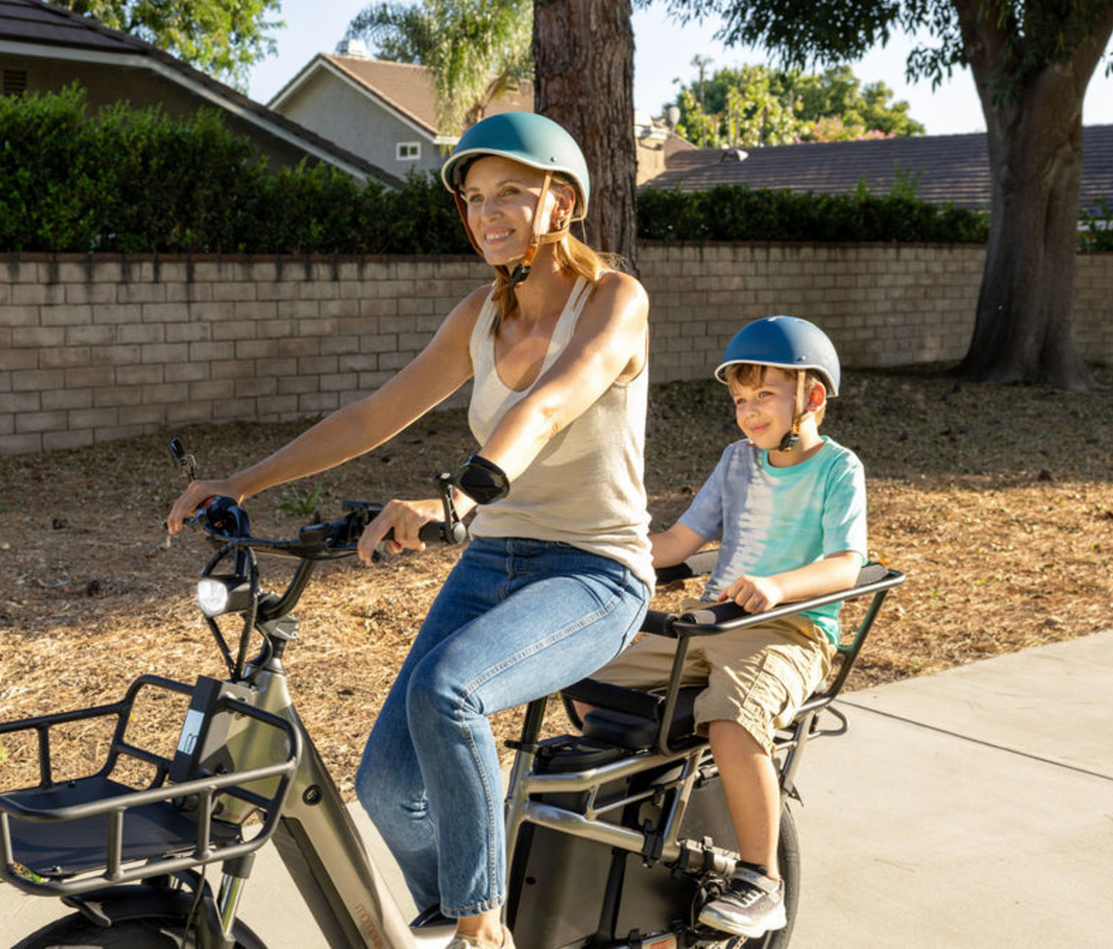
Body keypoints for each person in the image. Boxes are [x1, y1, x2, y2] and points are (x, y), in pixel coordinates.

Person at [166, 112, 653, 949]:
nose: (486, 214)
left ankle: (481, 927)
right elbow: (373, 414)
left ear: (561, 202)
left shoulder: (611, 298)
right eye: (472, 199)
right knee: (388, 786)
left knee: (447, 692)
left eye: (510, 193)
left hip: (595, 572)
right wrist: (238, 481)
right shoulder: (480, 315)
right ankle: (465, 904)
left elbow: (551, 403)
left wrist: (458, 502)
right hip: (496, 561)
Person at [584, 315, 866, 940]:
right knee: (582, 662)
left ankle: (763, 880)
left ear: (811, 398)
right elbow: (681, 539)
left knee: (732, 717)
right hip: (710, 624)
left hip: (788, 631)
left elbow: (848, 563)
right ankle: (639, 791)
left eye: (764, 394)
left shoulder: (837, 469)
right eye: (740, 399)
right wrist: (606, 552)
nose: (749, 410)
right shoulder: (737, 460)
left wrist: (778, 586)